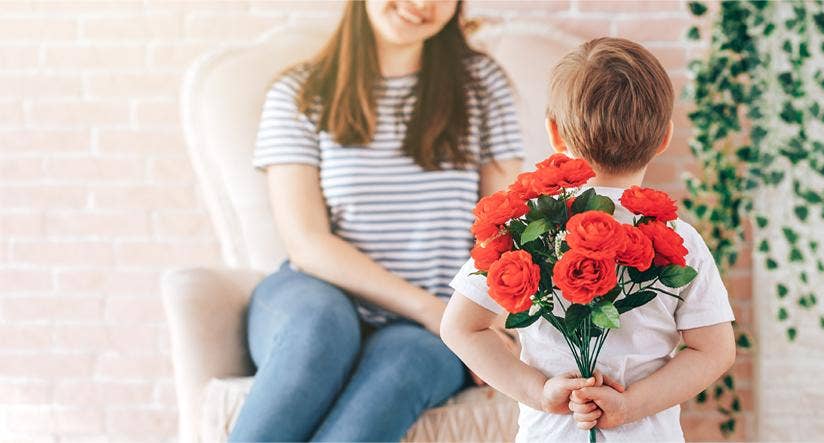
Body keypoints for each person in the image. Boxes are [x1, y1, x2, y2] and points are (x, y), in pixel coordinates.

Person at [230, 0, 522, 441]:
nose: (422, 4)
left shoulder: (481, 87)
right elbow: (307, 244)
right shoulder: (299, 93)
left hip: (429, 328)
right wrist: (431, 310)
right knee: (319, 330)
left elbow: (503, 231)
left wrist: (480, 322)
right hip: (318, 295)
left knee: (406, 365)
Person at [441, 37, 737, 442]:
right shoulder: (678, 240)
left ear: (554, 134)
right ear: (665, 138)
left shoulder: (527, 230)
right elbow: (714, 351)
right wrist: (633, 404)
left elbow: (460, 328)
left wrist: (540, 392)